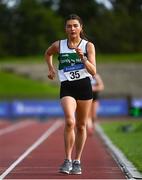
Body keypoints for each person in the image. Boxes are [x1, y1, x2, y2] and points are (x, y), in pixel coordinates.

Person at [45, 14, 96, 175]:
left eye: (75, 25)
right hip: (67, 87)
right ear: (65, 29)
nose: (72, 28)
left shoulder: (88, 46)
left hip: (84, 88)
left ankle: (77, 161)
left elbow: (93, 72)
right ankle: (67, 159)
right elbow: (47, 53)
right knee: (69, 121)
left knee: (81, 126)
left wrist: (83, 59)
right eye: (69, 26)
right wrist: (51, 68)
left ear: (81, 28)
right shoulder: (59, 45)